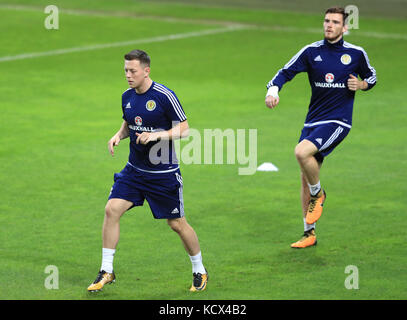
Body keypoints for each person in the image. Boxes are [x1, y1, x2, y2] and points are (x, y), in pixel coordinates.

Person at [87, 49, 208, 292]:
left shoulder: (165, 96)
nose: (128, 75)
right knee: (111, 209)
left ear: (146, 70)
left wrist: (157, 135)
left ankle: (199, 270)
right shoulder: (127, 96)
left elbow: (184, 129)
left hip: (163, 175)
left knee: (177, 224)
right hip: (134, 172)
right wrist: (119, 135)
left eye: (132, 71)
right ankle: (106, 270)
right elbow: (129, 121)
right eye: (125, 71)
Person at [265, 7, 376, 248]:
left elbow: (372, 76)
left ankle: (319, 194)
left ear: (344, 28)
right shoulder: (311, 51)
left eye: (335, 22)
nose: (329, 25)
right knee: (305, 176)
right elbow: (285, 72)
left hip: (338, 121)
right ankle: (309, 234)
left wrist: (362, 84)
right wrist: (273, 90)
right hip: (313, 121)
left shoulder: (355, 54)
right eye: (327, 21)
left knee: (300, 152)